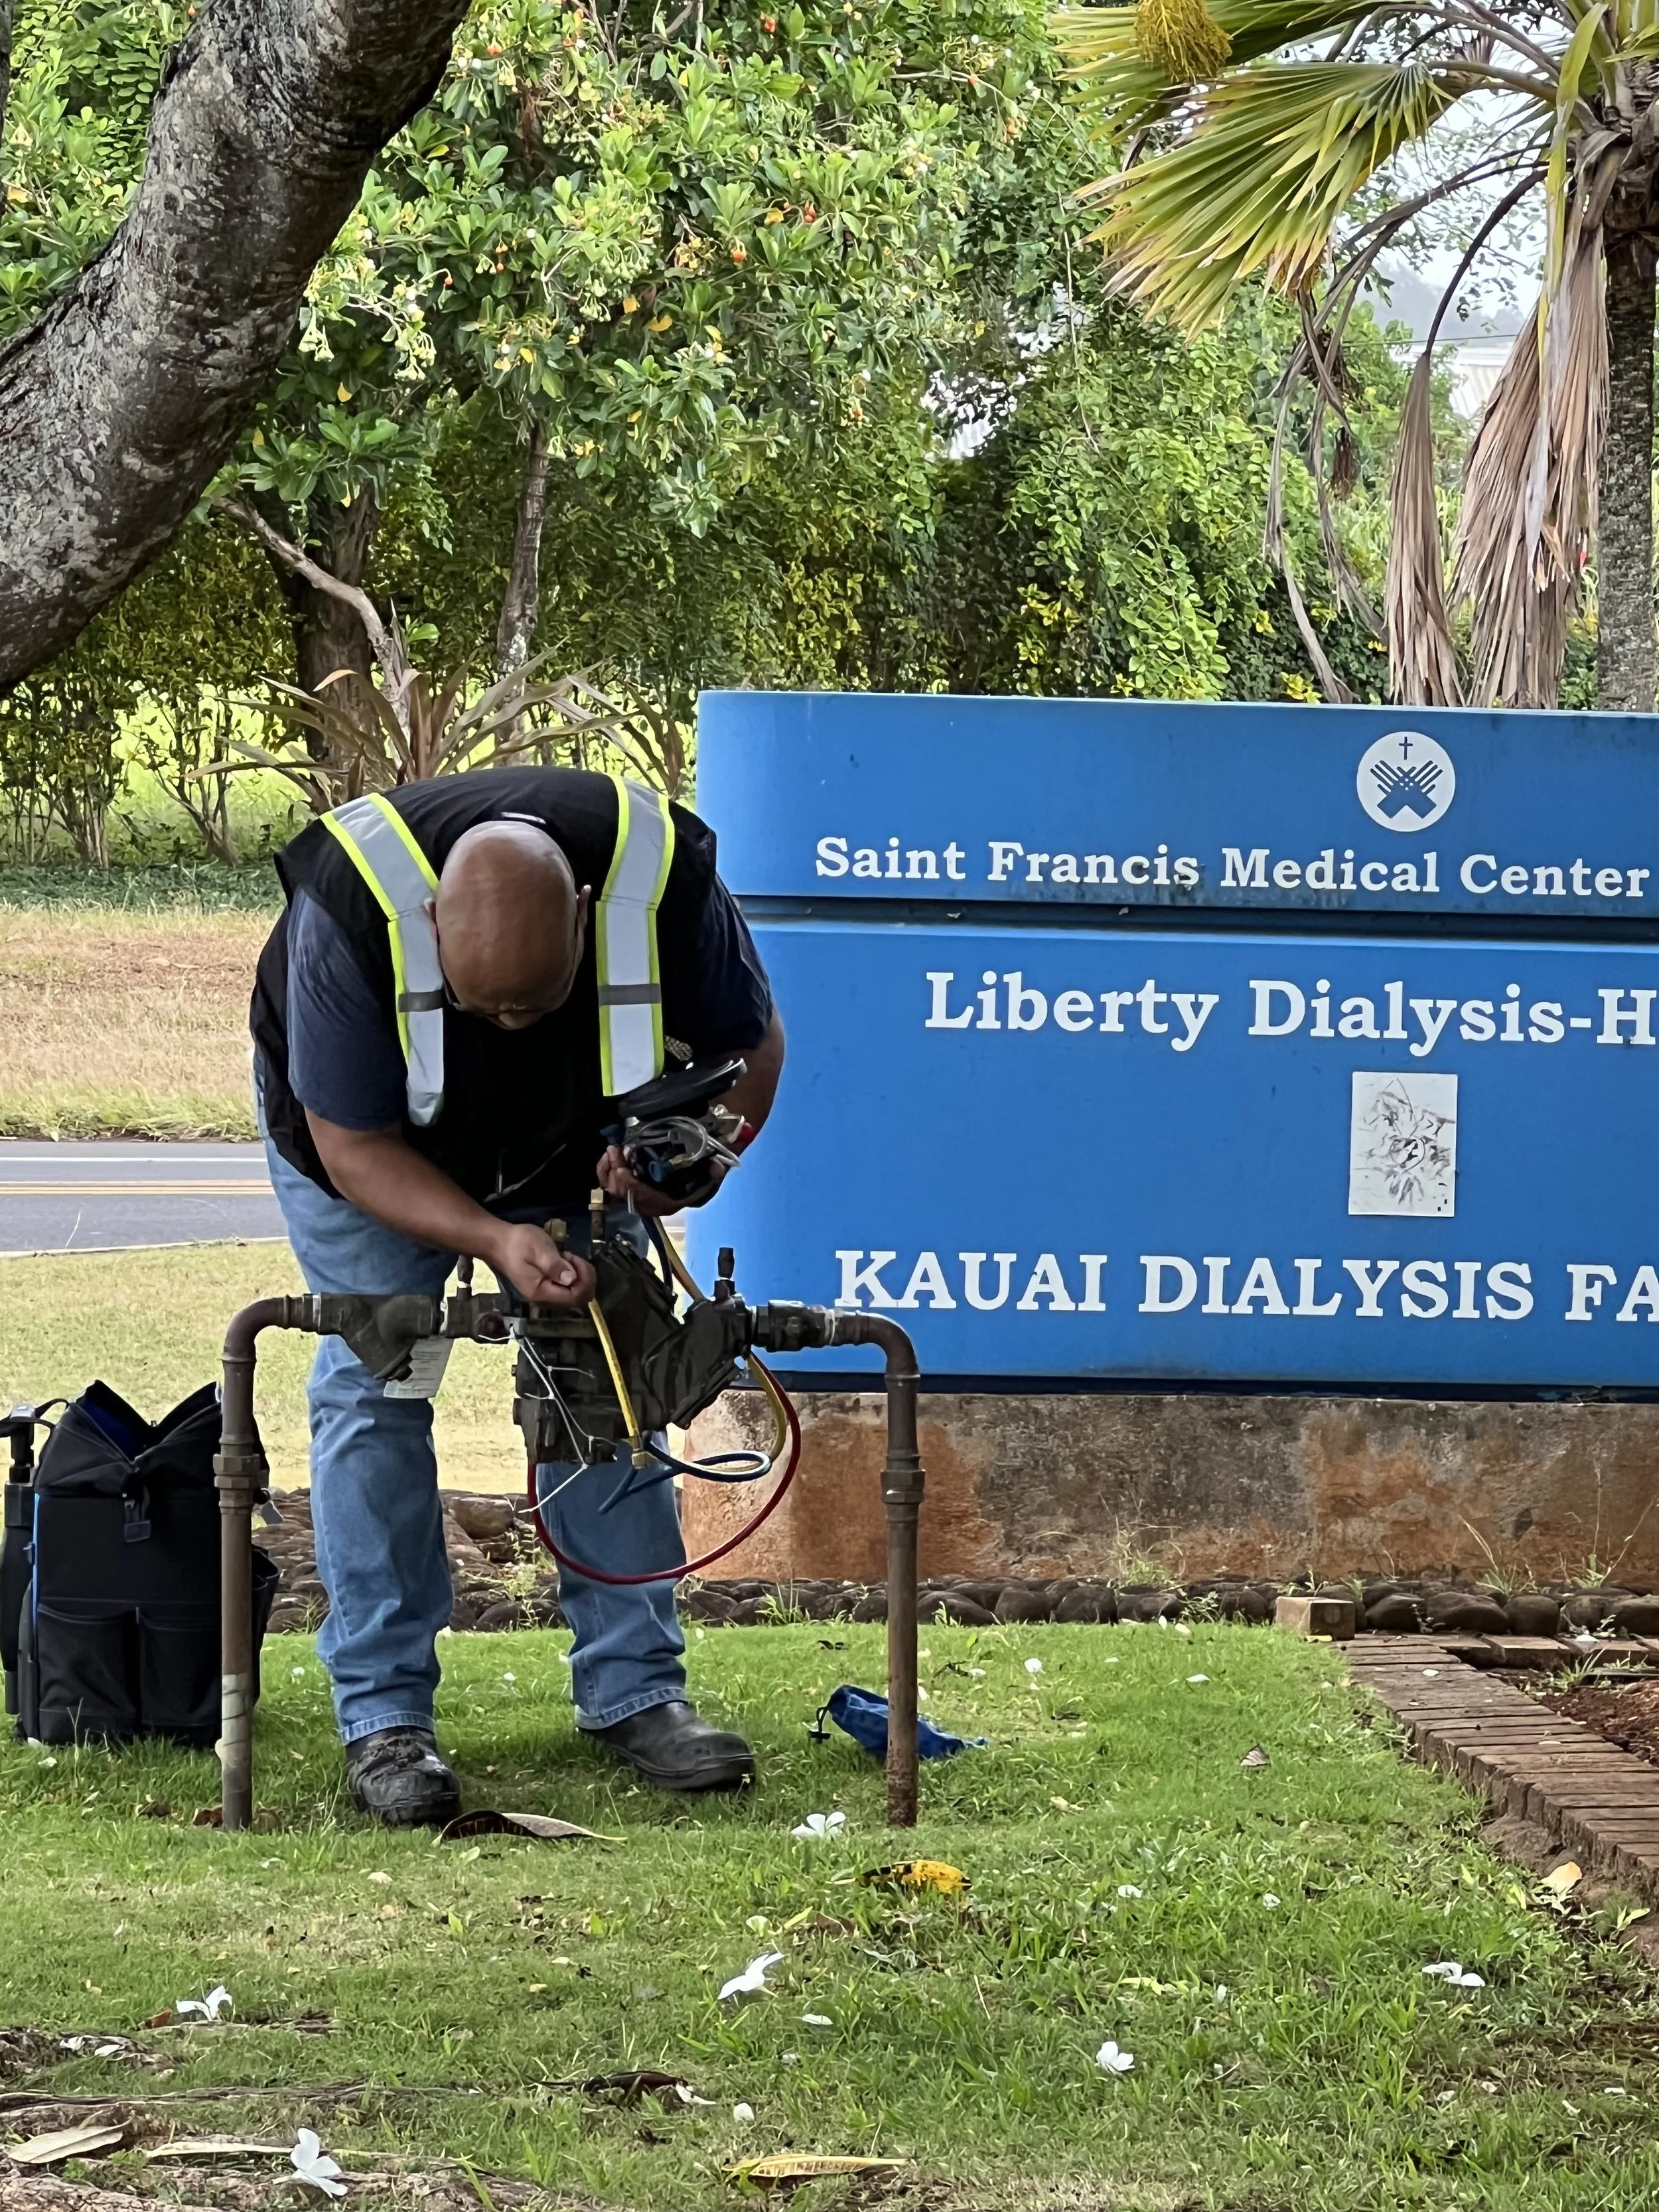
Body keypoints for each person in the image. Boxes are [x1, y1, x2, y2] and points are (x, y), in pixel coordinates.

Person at [250, 766, 783, 1826]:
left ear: (586, 918)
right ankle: (385, 1719)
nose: (503, 1024)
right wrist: (493, 1238)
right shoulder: (348, 908)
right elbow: (352, 1145)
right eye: (476, 1002)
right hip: (377, 1154)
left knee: (609, 1376)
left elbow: (750, 1048)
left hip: (574, 1149)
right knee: (381, 1378)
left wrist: (692, 1164)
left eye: (530, 1004)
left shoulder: (664, 875)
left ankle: (638, 1693)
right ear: (433, 923)